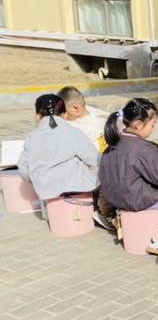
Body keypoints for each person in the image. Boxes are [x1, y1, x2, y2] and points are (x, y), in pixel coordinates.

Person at [98, 98, 158, 257]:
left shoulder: (111, 146)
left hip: (117, 199)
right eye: (152, 125)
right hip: (138, 199)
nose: (153, 129)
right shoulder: (143, 148)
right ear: (138, 124)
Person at [17, 94, 98, 200]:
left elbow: (23, 170)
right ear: (65, 115)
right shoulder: (73, 132)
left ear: (38, 116)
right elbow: (95, 160)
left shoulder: (32, 137)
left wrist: (37, 178)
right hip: (79, 187)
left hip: (46, 192)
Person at [57, 85, 116, 229]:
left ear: (76, 108)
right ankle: (104, 212)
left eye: (63, 113)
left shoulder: (97, 119)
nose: (62, 117)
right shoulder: (71, 125)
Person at [56, 86, 109, 151]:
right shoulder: (98, 115)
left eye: (63, 112)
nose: (61, 116)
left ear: (76, 108)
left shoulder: (82, 129)